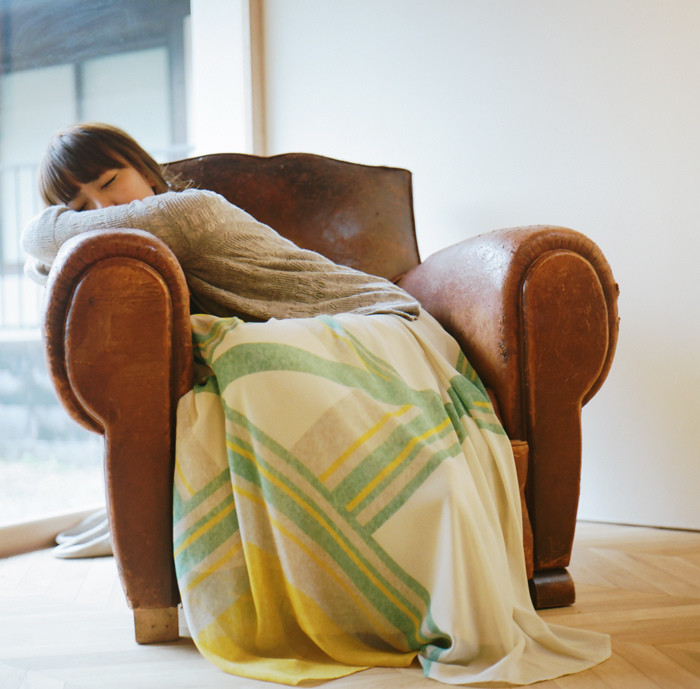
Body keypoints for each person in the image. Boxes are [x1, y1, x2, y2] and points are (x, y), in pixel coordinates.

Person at [22, 123, 611, 686]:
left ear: (146, 173)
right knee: (236, 358)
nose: (101, 210)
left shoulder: (185, 209)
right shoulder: (134, 240)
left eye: (108, 183)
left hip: (376, 319)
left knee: (245, 357)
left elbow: (37, 244)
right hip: (316, 333)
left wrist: (52, 228)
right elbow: (57, 267)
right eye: (78, 206)